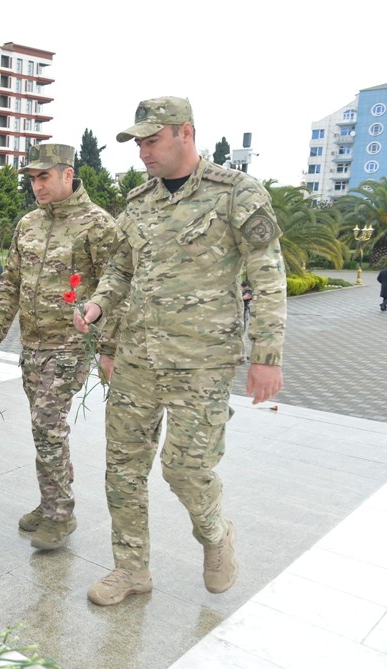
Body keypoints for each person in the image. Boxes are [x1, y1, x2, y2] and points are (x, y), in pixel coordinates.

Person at [74, 96, 287, 606]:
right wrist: (100, 309)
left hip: (202, 360)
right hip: (137, 357)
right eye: (139, 143)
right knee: (122, 467)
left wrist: (267, 356)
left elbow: (268, 273)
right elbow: (121, 270)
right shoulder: (138, 202)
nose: (143, 152)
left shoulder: (236, 192)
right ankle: (130, 570)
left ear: (184, 133)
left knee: (185, 468)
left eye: (152, 140)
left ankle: (216, 534)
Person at [0, 143, 118, 551]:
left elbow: (117, 288)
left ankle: (60, 514)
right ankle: (50, 499)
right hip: (33, 344)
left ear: (67, 174)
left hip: (72, 344)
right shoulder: (28, 224)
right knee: (45, 429)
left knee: (46, 425)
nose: (37, 185)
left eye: (44, 177)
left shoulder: (98, 224)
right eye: (33, 178)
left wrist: (107, 348)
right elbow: (11, 283)